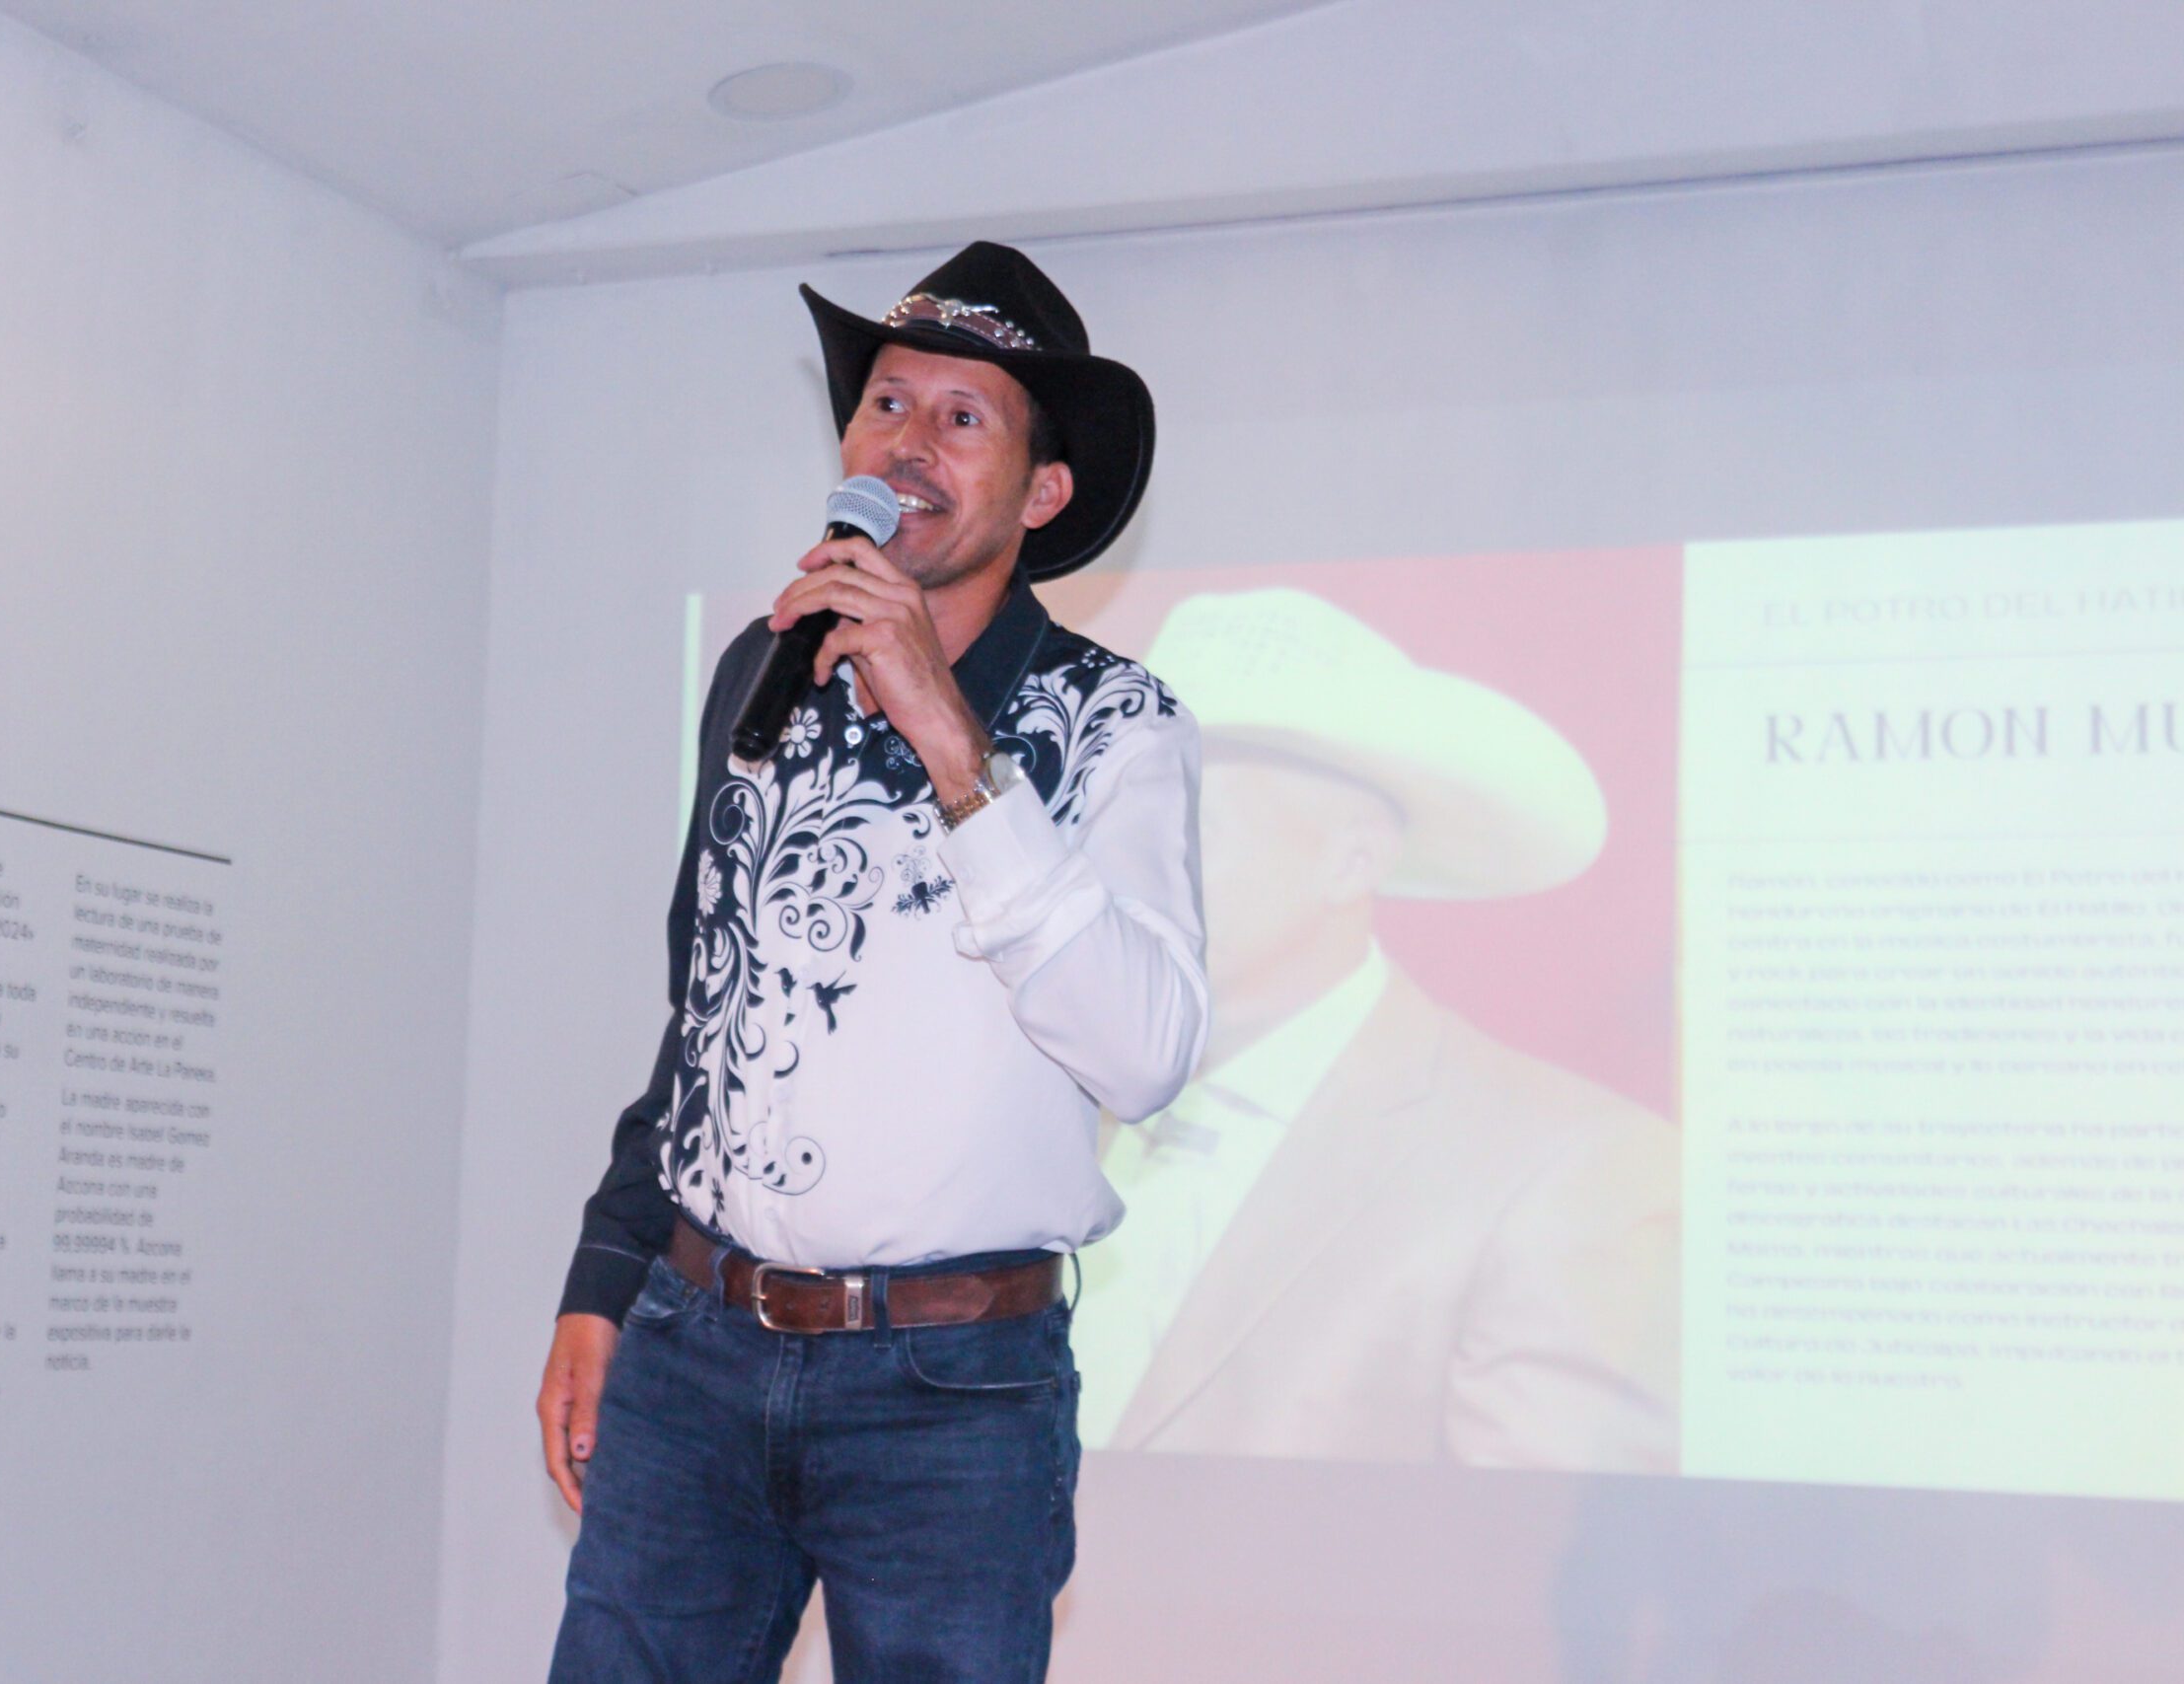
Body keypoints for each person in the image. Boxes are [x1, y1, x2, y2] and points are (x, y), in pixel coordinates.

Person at [537, 242, 1207, 1682]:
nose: (908, 442)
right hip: (690, 1344)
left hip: (949, 1390)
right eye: (887, 403)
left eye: (963, 418)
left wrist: (950, 736)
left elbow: (1146, 1054)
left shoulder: (1117, 721)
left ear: (1041, 493)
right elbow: (705, 1013)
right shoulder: (760, 669)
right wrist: (603, 1274)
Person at [1071, 588, 1679, 1472]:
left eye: (1190, 829)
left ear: (1351, 859)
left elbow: (1534, 1549)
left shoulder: (1567, 1169)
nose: (1125, 871)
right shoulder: (1030, 1108)